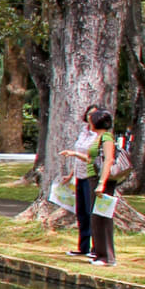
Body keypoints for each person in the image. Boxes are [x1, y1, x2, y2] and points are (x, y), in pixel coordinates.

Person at [64, 109, 119, 265]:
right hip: (91, 177)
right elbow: (90, 158)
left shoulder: (107, 137)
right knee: (95, 218)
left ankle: (107, 257)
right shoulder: (98, 137)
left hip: (101, 180)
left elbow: (108, 160)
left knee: (103, 218)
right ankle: (99, 254)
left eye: (91, 119)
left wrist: (102, 183)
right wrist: (74, 154)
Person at [60, 107, 102, 258]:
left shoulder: (99, 136)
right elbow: (78, 159)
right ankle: (83, 246)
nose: (91, 117)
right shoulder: (84, 132)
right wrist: (71, 175)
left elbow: (93, 159)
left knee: (92, 213)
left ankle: (97, 248)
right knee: (81, 213)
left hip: (91, 177)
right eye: (90, 114)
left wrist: (75, 154)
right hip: (79, 175)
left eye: (95, 114)